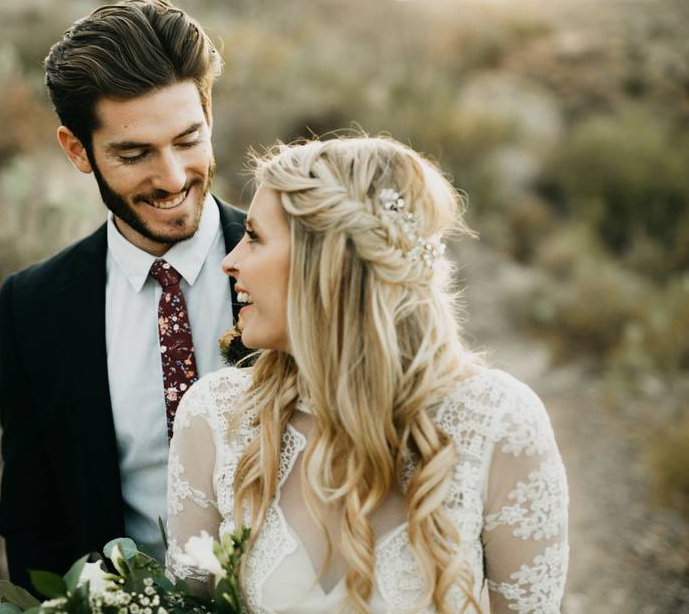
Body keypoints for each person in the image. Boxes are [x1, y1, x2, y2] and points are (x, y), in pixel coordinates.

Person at [166, 136, 569, 613]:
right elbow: (186, 604)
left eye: (254, 236)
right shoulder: (216, 417)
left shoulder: (498, 423)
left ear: (327, 264)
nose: (230, 261)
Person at [0, 0, 245, 591]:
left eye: (188, 139)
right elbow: (32, 518)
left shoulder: (303, 265)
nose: (172, 177)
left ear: (208, 112)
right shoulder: (33, 306)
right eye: (134, 154)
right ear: (77, 150)